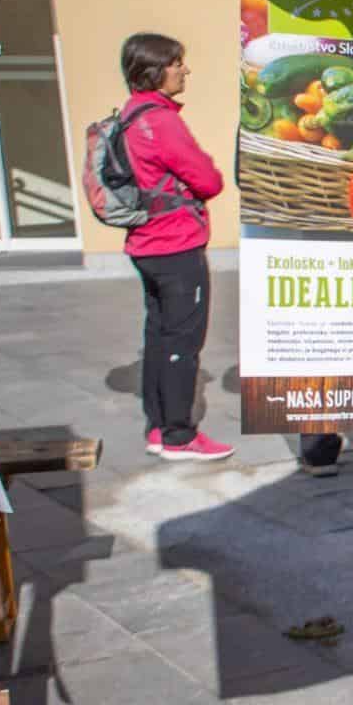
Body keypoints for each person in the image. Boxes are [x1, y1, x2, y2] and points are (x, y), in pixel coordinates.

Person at [118, 33, 233, 462]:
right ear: (154, 70)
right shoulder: (162, 122)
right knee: (183, 341)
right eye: (176, 63)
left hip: (146, 243)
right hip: (176, 244)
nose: (185, 70)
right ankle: (180, 436)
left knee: (158, 336)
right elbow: (209, 180)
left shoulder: (129, 116)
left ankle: (157, 428)